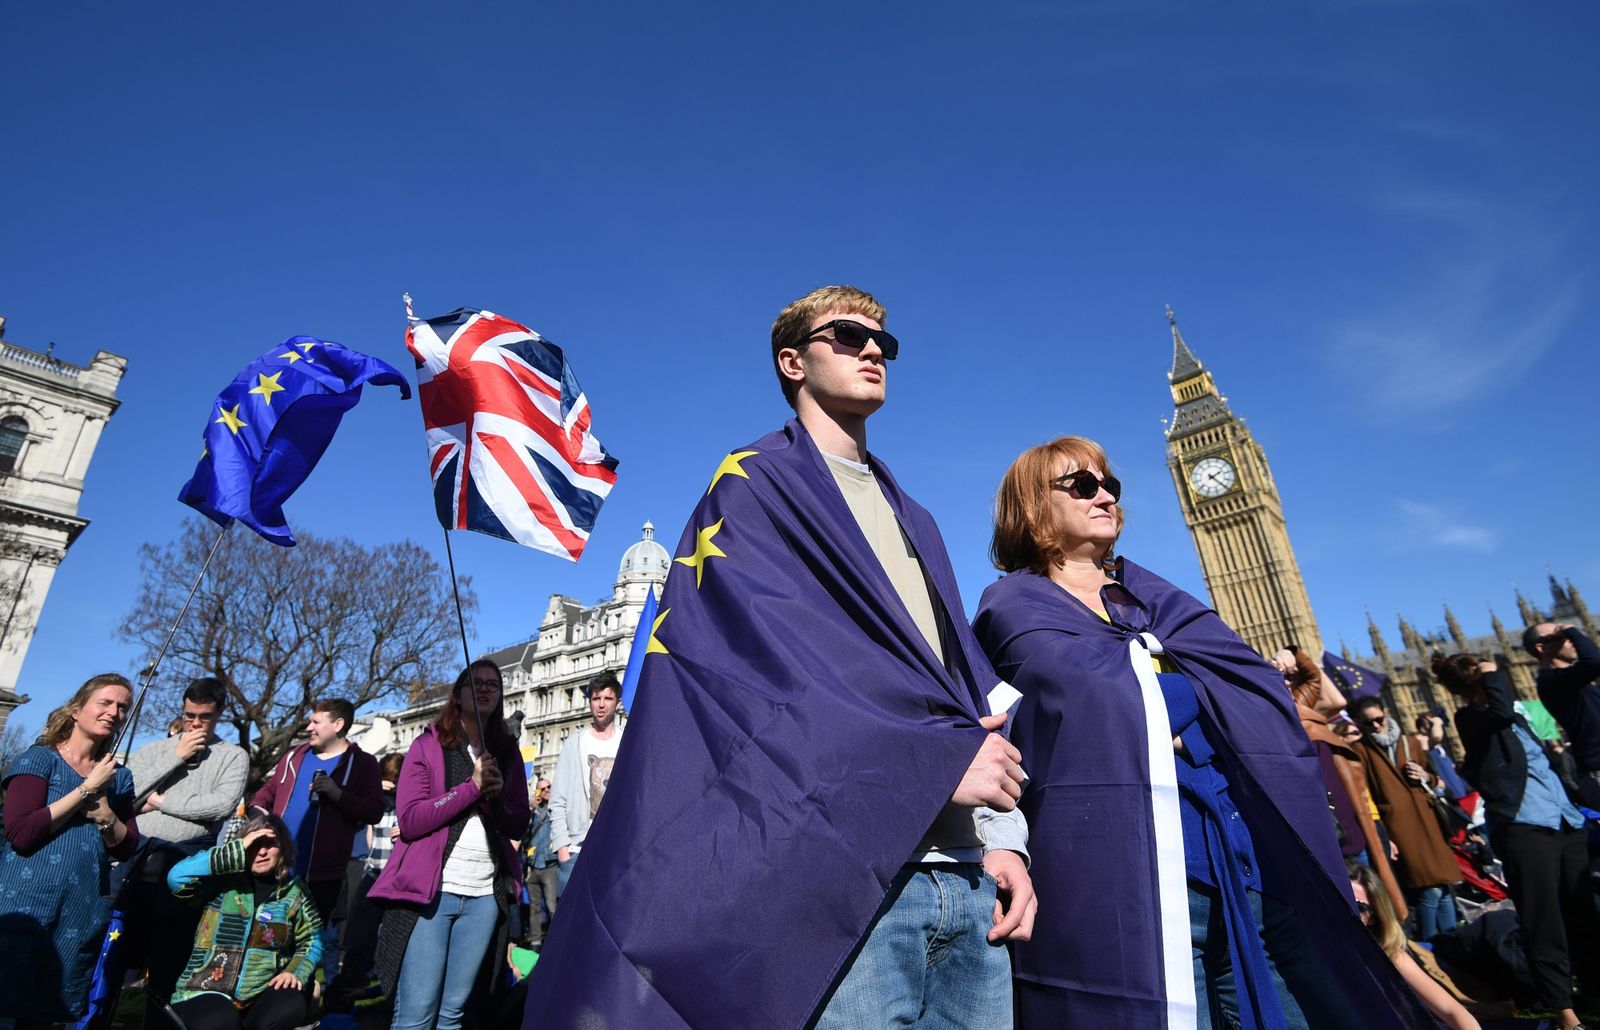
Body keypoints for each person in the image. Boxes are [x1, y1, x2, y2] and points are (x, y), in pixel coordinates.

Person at [522, 285, 1034, 1029]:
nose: (872, 351)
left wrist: (1006, 842)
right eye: (849, 335)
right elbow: (760, 689)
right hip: (851, 889)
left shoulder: (914, 515)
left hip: (964, 879)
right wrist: (927, 763)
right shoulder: (754, 488)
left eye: (883, 342)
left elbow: (960, 691)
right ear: (792, 361)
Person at [972, 436, 1426, 1027]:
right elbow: (1090, 708)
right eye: (1083, 485)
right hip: (1137, 884)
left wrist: (1182, 720)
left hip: (1244, 867)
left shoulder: (1154, 599)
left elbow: (1256, 696)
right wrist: (1189, 706)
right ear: (1033, 508)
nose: (1105, 494)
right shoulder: (1016, 608)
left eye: (1112, 484)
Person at [1433, 651, 1600, 1030]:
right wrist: (1493, 677)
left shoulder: (1513, 713)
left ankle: (1593, 991)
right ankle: (1565, 1014)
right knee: (1545, 921)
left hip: (1563, 819)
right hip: (1523, 824)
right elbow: (1500, 713)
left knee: (1582, 913)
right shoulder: (1471, 717)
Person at [369, 660, 530, 1030]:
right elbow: (410, 820)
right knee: (416, 1013)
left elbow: (519, 821)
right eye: (476, 683)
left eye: (494, 683)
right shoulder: (427, 746)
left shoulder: (506, 753)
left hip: (483, 899)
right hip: (432, 893)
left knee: (452, 1014)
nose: (486, 688)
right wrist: (469, 789)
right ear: (457, 695)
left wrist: (495, 798)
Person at [0, 673, 139, 1024]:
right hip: (24, 901)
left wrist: (107, 815)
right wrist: (86, 791)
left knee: (47, 1013)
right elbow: (21, 832)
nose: (114, 712)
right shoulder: (40, 760)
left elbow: (127, 847)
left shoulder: (118, 776)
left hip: (80, 911)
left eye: (122, 707)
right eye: (105, 702)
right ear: (76, 710)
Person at [124, 677, 249, 1020]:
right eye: (189, 714)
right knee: (120, 958)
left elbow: (220, 806)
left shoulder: (232, 756)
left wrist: (160, 801)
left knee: (168, 960)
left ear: (219, 713)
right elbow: (126, 797)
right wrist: (174, 757)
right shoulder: (152, 752)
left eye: (204, 717)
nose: (195, 723)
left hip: (186, 867)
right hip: (137, 861)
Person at [1274, 647, 1409, 922]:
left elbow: (1331, 694)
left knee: (1383, 914)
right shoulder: (1275, 725)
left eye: (1290, 681)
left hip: (1354, 832)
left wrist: (1292, 653)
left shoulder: (1309, 714)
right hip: (1327, 841)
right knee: (1356, 919)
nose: (1288, 683)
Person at [166, 813, 322, 1030]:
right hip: (205, 989)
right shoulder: (219, 883)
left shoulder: (294, 892)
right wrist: (239, 847)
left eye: (271, 844)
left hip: (258, 993)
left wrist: (295, 972)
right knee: (221, 1021)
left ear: (284, 848)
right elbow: (177, 877)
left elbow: (313, 940)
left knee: (291, 1006)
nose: (262, 851)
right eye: (255, 844)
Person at [248, 697, 383, 940]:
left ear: (338, 725)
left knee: (306, 947)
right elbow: (263, 795)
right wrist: (259, 817)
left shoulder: (364, 764)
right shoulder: (293, 757)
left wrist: (337, 794)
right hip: (277, 869)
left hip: (324, 877)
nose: (309, 728)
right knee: (264, 942)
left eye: (316, 722)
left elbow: (374, 811)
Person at [1348, 694, 1463, 939]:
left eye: (1379, 720)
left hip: (1429, 821)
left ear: (1386, 714)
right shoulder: (1361, 751)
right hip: (1400, 828)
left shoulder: (1410, 743)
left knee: (1443, 888)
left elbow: (1435, 779)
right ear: (1360, 724)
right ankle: (1429, 944)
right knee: (1427, 890)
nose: (1376, 726)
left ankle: (1453, 941)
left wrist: (1425, 775)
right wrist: (1383, 838)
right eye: (1369, 723)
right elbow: (1363, 795)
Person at [1349, 862, 1481, 1029]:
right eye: (1342, 901)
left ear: (1374, 916)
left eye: (1359, 906)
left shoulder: (1390, 954)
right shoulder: (1312, 952)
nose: (1349, 911)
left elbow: (1453, 1011)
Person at [329, 750, 404, 1001]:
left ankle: (387, 987)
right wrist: (374, 791)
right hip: (373, 872)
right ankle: (350, 986)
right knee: (359, 934)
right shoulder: (374, 799)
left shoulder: (407, 802)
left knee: (392, 937)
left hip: (397, 877)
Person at [548, 673, 623, 898]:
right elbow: (558, 798)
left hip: (615, 849)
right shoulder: (574, 743)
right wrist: (562, 847)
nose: (601, 705)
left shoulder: (627, 741)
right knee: (569, 928)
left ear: (618, 703)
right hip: (575, 851)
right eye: (595, 698)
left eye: (607, 699)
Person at [1526, 621, 1600, 807]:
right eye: (1562, 637)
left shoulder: (1574, 681)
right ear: (1541, 647)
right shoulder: (1552, 681)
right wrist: (1570, 629)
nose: (1571, 641)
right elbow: (1594, 661)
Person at [523, 776, 557, 948]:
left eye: (548, 787)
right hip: (533, 866)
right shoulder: (532, 811)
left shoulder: (556, 809)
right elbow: (522, 831)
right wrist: (530, 808)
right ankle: (535, 944)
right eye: (542, 788)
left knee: (552, 907)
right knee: (534, 908)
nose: (546, 790)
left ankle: (555, 943)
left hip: (550, 865)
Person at [1413, 712, 1471, 801]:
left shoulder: (1439, 748)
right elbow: (1437, 736)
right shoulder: (1424, 744)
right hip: (1451, 798)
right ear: (1422, 729)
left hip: (1463, 795)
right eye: (1431, 724)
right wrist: (1437, 721)